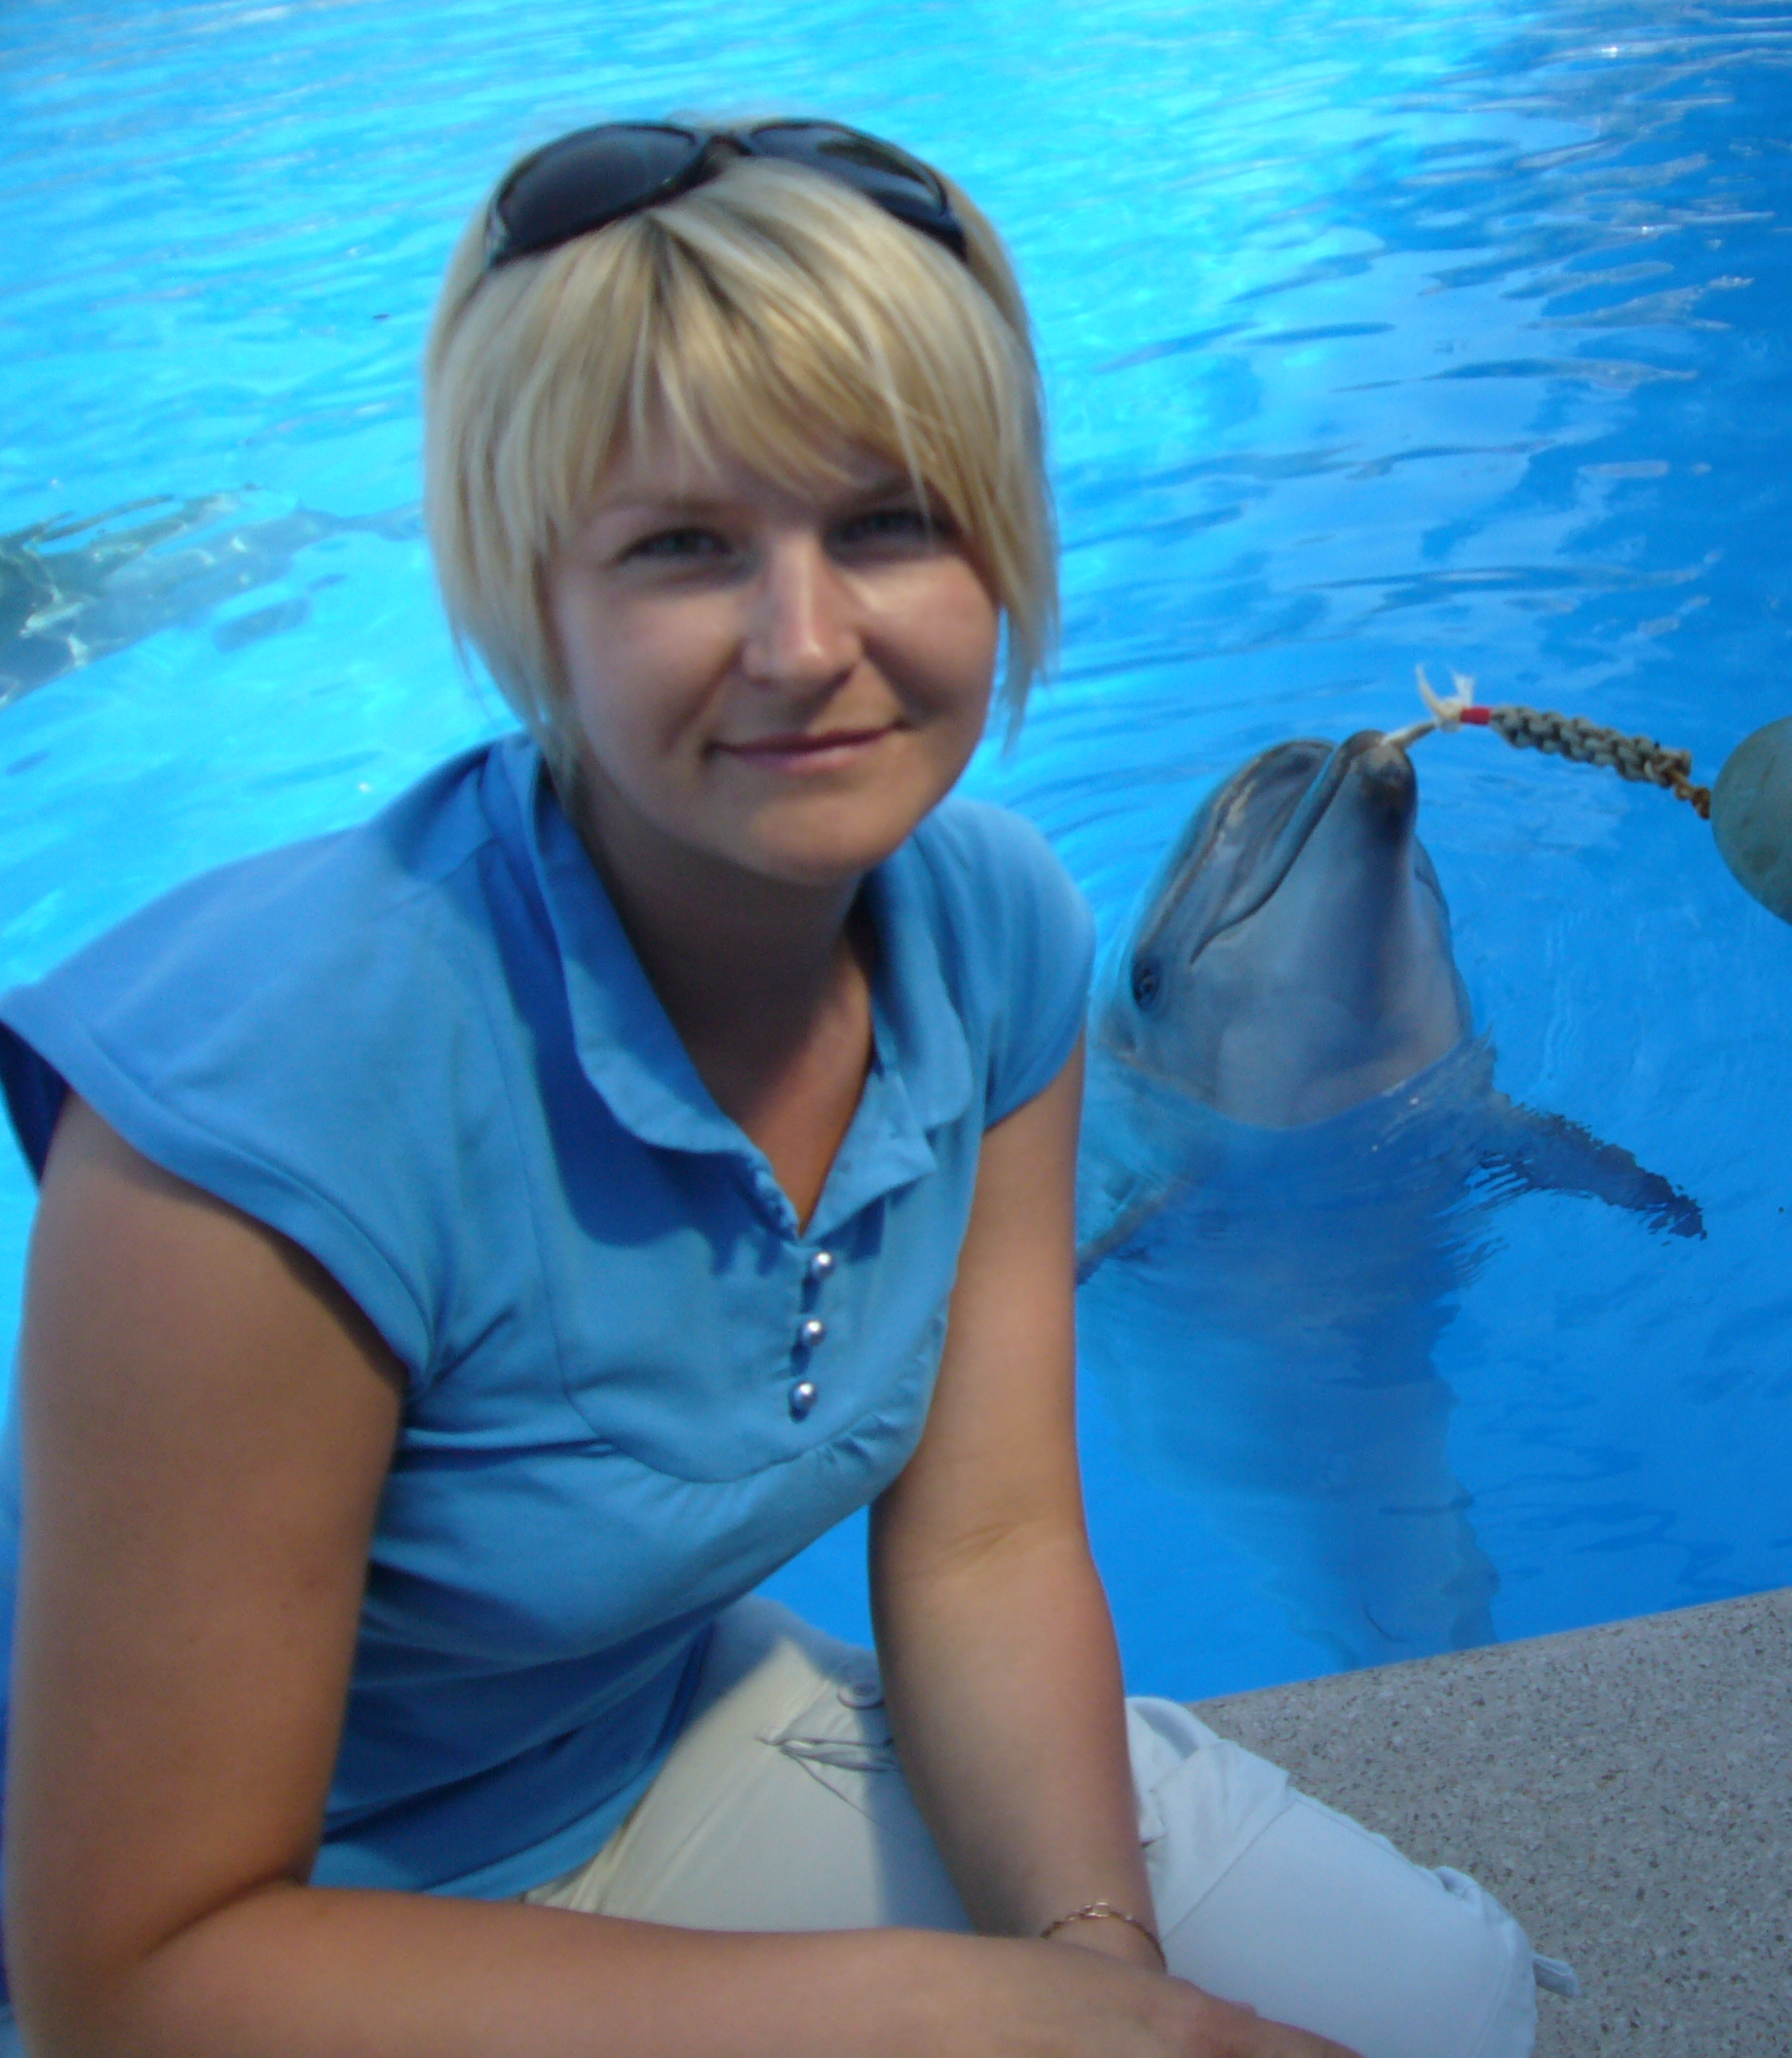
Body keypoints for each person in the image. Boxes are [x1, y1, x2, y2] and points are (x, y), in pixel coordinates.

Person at [0, 120, 1558, 2058]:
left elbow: (985, 1543)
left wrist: (1094, 1970)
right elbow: (128, 1978)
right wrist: (939, 2012)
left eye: (891, 521)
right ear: (530, 598)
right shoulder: (261, 1116)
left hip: (631, 1726)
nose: (806, 645)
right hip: (274, 1927)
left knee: (1444, 2001)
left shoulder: (989, 933)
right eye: (680, 546)